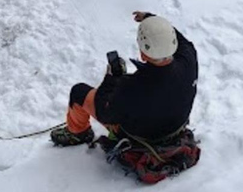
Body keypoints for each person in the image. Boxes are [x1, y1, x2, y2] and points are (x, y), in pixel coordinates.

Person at [50, 11, 198, 146]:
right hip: (174, 127)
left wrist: (112, 79)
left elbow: (104, 112)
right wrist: (151, 19)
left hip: (142, 136)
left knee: (79, 92)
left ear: (143, 55)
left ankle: (78, 134)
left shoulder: (131, 87)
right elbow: (177, 38)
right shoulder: (189, 58)